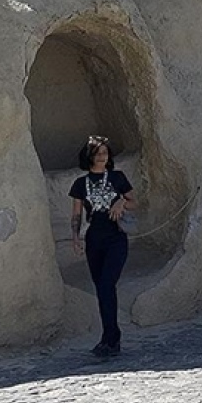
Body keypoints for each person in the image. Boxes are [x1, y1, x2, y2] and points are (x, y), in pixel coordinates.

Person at [69, 135, 135, 357]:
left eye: (105, 153)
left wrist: (121, 201)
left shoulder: (117, 178)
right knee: (102, 289)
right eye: (98, 154)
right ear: (90, 156)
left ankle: (112, 337)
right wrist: (75, 237)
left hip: (116, 238)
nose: (102, 157)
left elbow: (134, 200)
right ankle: (108, 338)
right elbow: (77, 213)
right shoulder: (80, 184)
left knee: (107, 284)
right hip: (94, 240)